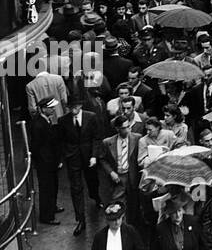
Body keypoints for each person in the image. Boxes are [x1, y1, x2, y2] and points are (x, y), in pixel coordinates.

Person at [59, 96, 101, 233]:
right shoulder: (63, 120)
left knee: (92, 181)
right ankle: (80, 219)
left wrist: (94, 156)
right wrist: (66, 154)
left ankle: (96, 196)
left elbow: (96, 137)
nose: (73, 110)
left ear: (81, 106)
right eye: (70, 108)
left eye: (75, 107)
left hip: (89, 156)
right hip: (73, 158)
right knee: (76, 188)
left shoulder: (91, 117)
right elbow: (62, 140)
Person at [100, 115, 143, 225]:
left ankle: (132, 228)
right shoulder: (108, 142)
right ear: (117, 129)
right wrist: (111, 172)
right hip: (118, 178)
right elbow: (103, 159)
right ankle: (121, 228)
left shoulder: (137, 138)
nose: (128, 130)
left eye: (129, 126)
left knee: (134, 206)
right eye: (124, 128)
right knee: (117, 205)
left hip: (132, 177)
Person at [31, 97, 63, 225]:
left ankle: (52, 207)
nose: (54, 109)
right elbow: (37, 147)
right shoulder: (38, 124)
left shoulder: (44, 120)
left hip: (50, 162)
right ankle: (47, 216)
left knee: (52, 186)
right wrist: (48, 161)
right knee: (46, 189)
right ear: (44, 109)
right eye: (51, 108)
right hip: (45, 163)